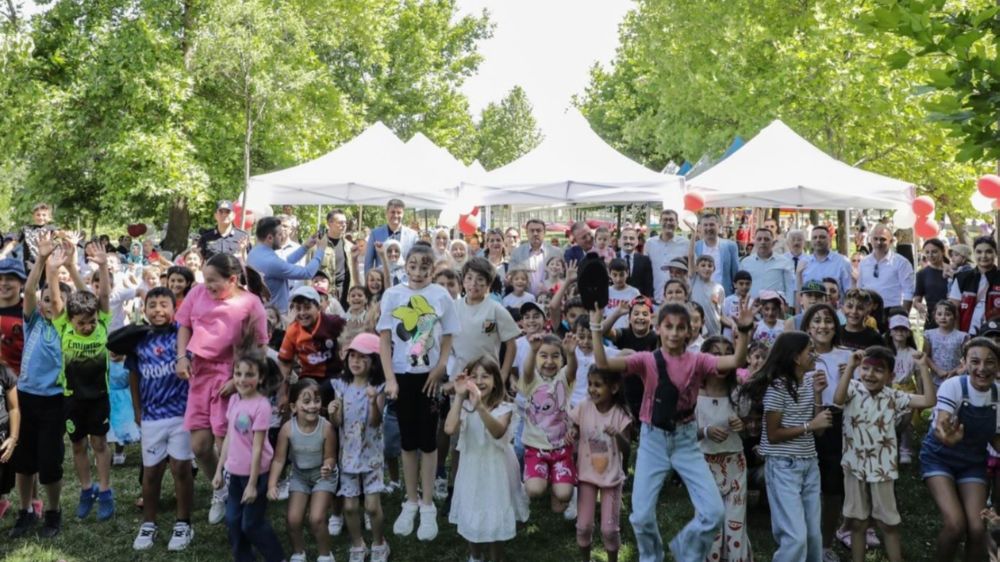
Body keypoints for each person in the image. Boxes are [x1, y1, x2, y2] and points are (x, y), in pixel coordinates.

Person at [591, 300, 753, 562]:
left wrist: (744, 332)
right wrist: (596, 325)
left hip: (686, 440)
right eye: (669, 327)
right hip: (653, 440)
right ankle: (651, 557)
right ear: (659, 328)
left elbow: (736, 360)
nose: (674, 333)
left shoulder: (699, 360)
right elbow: (603, 362)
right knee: (641, 516)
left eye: (680, 328)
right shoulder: (647, 360)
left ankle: (685, 551)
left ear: (689, 332)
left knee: (713, 513)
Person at [176, 253, 268, 525]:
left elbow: (260, 348)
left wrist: (239, 380)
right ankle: (221, 490)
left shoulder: (251, 304)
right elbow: (184, 325)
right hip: (200, 374)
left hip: (232, 375)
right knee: (200, 446)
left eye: (213, 281)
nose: (207, 286)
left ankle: (240, 498)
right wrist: (182, 357)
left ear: (232, 279)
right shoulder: (197, 294)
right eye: (205, 280)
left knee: (225, 441)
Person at [377, 243, 459, 542]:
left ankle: (427, 506)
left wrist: (439, 368)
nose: (419, 272)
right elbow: (385, 339)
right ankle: (410, 500)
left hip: (429, 378)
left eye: (425, 267)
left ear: (432, 267)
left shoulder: (440, 295)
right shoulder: (393, 295)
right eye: (413, 265)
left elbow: (449, 333)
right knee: (408, 441)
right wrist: (390, 379)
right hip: (401, 376)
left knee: (428, 441)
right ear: (406, 265)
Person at [741, 331, 832, 562]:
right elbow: (772, 435)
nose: (814, 354)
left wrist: (818, 396)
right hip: (784, 467)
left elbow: (819, 430)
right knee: (795, 538)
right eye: (809, 350)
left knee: (813, 536)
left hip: (809, 464)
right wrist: (810, 425)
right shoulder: (778, 388)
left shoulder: (809, 382)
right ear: (795, 357)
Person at [9, 234, 72, 539]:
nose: (47, 305)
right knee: (23, 461)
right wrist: (42, 260)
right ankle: (25, 512)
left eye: (53, 301)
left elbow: (57, 302)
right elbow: (31, 290)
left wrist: (55, 274)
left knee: (49, 462)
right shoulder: (33, 321)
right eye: (44, 301)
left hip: (53, 401)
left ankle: (53, 511)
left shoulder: (65, 328)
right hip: (25, 398)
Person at [127, 287, 195, 551]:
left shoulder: (183, 334)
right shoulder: (139, 339)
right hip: (152, 417)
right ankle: (149, 523)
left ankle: (183, 523)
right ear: (144, 310)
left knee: (181, 468)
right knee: (152, 471)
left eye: (163, 304)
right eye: (152, 305)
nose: (158, 310)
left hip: (180, 414)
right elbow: (134, 375)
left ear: (174, 307)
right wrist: (137, 409)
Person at [920, 338, 1000, 562]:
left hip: (972, 463)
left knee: (977, 528)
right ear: (964, 363)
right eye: (975, 361)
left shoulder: (999, 395)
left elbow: (995, 438)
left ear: (998, 366)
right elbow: (940, 427)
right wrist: (948, 436)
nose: (982, 369)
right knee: (955, 525)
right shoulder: (953, 385)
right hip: (939, 458)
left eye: (990, 362)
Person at [54, 240, 115, 522]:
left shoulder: (101, 321)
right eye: (82, 323)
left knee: (99, 444)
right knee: (78, 445)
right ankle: (86, 489)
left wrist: (102, 266)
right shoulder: (63, 325)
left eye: (90, 321)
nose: (88, 326)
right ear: (70, 320)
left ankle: (105, 491)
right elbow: (57, 300)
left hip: (99, 396)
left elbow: (100, 297)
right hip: (72, 398)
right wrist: (53, 271)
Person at [445, 357, 528, 562]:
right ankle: (475, 556)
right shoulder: (464, 405)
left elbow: (498, 432)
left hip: (496, 469)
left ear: (496, 380)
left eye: (486, 376)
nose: (480, 380)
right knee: (472, 509)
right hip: (471, 467)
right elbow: (449, 428)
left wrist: (480, 407)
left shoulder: (505, 407)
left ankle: (496, 557)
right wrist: (458, 396)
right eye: (475, 376)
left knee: (495, 514)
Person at [213, 348, 284, 562]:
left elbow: (257, 447)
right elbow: (228, 438)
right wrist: (219, 470)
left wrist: (253, 484)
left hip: (256, 474)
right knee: (233, 520)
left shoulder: (261, 406)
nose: (242, 380)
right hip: (234, 473)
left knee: (251, 523)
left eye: (249, 374)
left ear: (260, 377)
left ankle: (277, 557)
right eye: (238, 374)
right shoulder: (234, 400)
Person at [329, 332, 391, 562]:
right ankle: (357, 544)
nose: (355, 361)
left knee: (373, 507)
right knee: (350, 506)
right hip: (348, 456)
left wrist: (374, 401)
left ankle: (379, 543)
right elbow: (338, 423)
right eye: (352, 356)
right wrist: (334, 412)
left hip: (372, 456)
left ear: (374, 361)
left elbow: (376, 422)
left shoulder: (379, 387)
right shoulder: (341, 386)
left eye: (362, 357)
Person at [267, 378, 338, 562]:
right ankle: (299, 553)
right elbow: (279, 460)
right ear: (293, 407)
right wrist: (272, 484)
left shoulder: (326, 428)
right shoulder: (287, 429)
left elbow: (331, 456)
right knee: (293, 519)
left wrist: (328, 466)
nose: (312, 406)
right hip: (299, 476)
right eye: (306, 402)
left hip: (323, 476)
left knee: (316, 519)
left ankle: (325, 555)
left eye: (316, 401)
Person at [696, 336, 752, 562]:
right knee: (711, 524)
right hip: (704, 465)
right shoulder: (692, 392)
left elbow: (749, 426)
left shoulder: (739, 391)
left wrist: (742, 424)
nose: (720, 359)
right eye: (714, 353)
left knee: (735, 523)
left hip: (735, 464)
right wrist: (706, 431)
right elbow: (683, 434)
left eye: (726, 353)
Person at [569, 366, 631, 562]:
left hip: (611, 478)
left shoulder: (620, 414)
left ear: (613, 388)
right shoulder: (583, 406)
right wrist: (573, 432)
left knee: (609, 529)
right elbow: (575, 426)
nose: (592, 389)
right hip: (587, 475)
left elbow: (627, 448)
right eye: (589, 384)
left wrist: (618, 435)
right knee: (583, 526)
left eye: (598, 385)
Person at [277, 286, 346, 410]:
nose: (302, 313)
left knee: (319, 393)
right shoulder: (292, 331)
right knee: (298, 397)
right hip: (308, 377)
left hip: (334, 375)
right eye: (298, 308)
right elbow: (284, 363)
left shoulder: (334, 323)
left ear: (318, 307)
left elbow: (353, 334)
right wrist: (283, 393)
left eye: (307, 307)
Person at [248, 216, 327, 313]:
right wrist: (321, 250)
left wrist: (305, 247)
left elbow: (284, 262)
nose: (283, 237)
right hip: (275, 318)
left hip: (263, 312)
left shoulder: (254, 253)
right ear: (269, 238)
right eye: (280, 234)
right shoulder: (271, 262)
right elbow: (307, 273)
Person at [949, 235, 1000, 336]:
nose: (984, 256)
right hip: (967, 334)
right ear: (974, 254)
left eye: (989, 252)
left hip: (995, 336)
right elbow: (954, 309)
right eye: (979, 252)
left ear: (996, 253)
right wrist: (958, 336)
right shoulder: (962, 277)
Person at [858, 224, 914, 313]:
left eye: (883, 239)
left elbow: (908, 292)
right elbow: (860, 288)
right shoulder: (864, 262)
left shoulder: (901, 263)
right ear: (871, 240)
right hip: (867, 312)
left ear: (891, 241)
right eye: (875, 239)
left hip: (892, 312)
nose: (878, 242)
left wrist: (903, 316)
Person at [313, 209, 359, 307]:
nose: (344, 225)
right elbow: (309, 274)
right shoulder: (318, 245)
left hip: (346, 295)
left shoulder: (349, 246)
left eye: (345, 223)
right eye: (340, 222)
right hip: (325, 295)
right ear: (330, 223)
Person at [740, 227, 795, 305]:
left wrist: (789, 306)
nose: (762, 242)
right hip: (751, 307)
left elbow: (790, 287)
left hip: (775, 309)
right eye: (759, 239)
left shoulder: (785, 262)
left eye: (766, 239)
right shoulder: (746, 262)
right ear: (754, 241)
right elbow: (741, 286)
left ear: (773, 242)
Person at [645, 209, 689, 304]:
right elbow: (645, 270)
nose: (668, 222)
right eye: (665, 220)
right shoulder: (649, 244)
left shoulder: (686, 244)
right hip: (656, 300)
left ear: (677, 223)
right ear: (660, 222)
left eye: (671, 220)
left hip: (679, 300)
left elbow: (691, 270)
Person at [510, 219, 562, 296]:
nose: (535, 233)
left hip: (549, 299)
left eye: (538, 230)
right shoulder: (517, 253)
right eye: (532, 230)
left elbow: (562, 276)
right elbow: (511, 276)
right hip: (525, 300)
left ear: (544, 232)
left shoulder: (556, 252)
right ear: (527, 233)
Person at [365, 199, 418, 273]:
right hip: (382, 280)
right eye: (392, 212)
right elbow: (368, 262)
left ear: (403, 214)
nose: (396, 215)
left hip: (405, 281)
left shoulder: (413, 235)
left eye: (399, 212)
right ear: (386, 213)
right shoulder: (375, 234)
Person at [693, 213, 740, 296]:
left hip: (724, 294)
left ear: (718, 226)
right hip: (701, 294)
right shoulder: (695, 246)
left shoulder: (730, 246)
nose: (708, 228)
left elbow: (735, 272)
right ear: (700, 228)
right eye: (705, 225)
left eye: (712, 225)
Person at [924, 300, 969, 387]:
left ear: (954, 317)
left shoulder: (962, 337)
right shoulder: (929, 335)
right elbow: (925, 356)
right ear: (935, 317)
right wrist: (937, 370)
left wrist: (954, 371)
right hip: (935, 380)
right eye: (939, 314)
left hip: (956, 380)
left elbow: (966, 358)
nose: (943, 317)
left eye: (948, 314)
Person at [801, 225, 852, 301]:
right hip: (810, 311)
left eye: (822, 237)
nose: (818, 240)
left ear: (830, 239)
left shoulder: (842, 262)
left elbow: (849, 292)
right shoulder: (804, 262)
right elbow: (800, 292)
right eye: (814, 237)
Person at [914, 238, 949, 329]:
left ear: (942, 251)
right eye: (927, 252)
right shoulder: (922, 274)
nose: (930, 255)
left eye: (934, 252)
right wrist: (919, 306)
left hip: (951, 316)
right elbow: (916, 300)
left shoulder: (952, 271)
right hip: (933, 317)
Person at [17, 202, 59, 268]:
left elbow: (59, 233)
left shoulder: (51, 228)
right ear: (33, 216)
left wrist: (65, 234)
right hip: (30, 264)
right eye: (38, 215)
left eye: (44, 215)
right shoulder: (26, 229)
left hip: (47, 263)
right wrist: (3, 253)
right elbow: (14, 242)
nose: (41, 217)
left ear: (49, 217)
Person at [618, 226, 654, 299]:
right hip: (616, 302)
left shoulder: (645, 261)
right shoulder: (612, 258)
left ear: (637, 241)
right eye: (625, 238)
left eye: (631, 238)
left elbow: (648, 286)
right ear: (619, 241)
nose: (628, 241)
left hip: (638, 303)